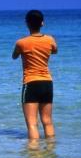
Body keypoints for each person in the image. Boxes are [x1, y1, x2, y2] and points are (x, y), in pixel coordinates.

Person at [12, 10, 58, 139]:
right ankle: (50, 152)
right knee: (47, 121)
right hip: (47, 82)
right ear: (42, 23)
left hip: (31, 82)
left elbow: (14, 56)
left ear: (27, 24)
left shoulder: (21, 42)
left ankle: (35, 156)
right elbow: (54, 51)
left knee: (32, 124)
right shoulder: (50, 39)